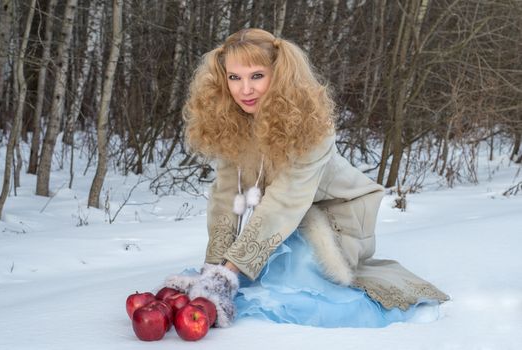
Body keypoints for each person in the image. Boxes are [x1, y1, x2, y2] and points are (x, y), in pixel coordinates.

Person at [164, 28, 449, 328]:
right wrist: (214, 268)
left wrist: (230, 271)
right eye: (234, 78)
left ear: (279, 74)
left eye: (257, 76)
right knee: (241, 268)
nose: (244, 89)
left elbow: (283, 203)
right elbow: (225, 196)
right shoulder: (235, 121)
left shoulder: (313, 128)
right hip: (284, 217)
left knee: (289, 275)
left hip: (337, 214)